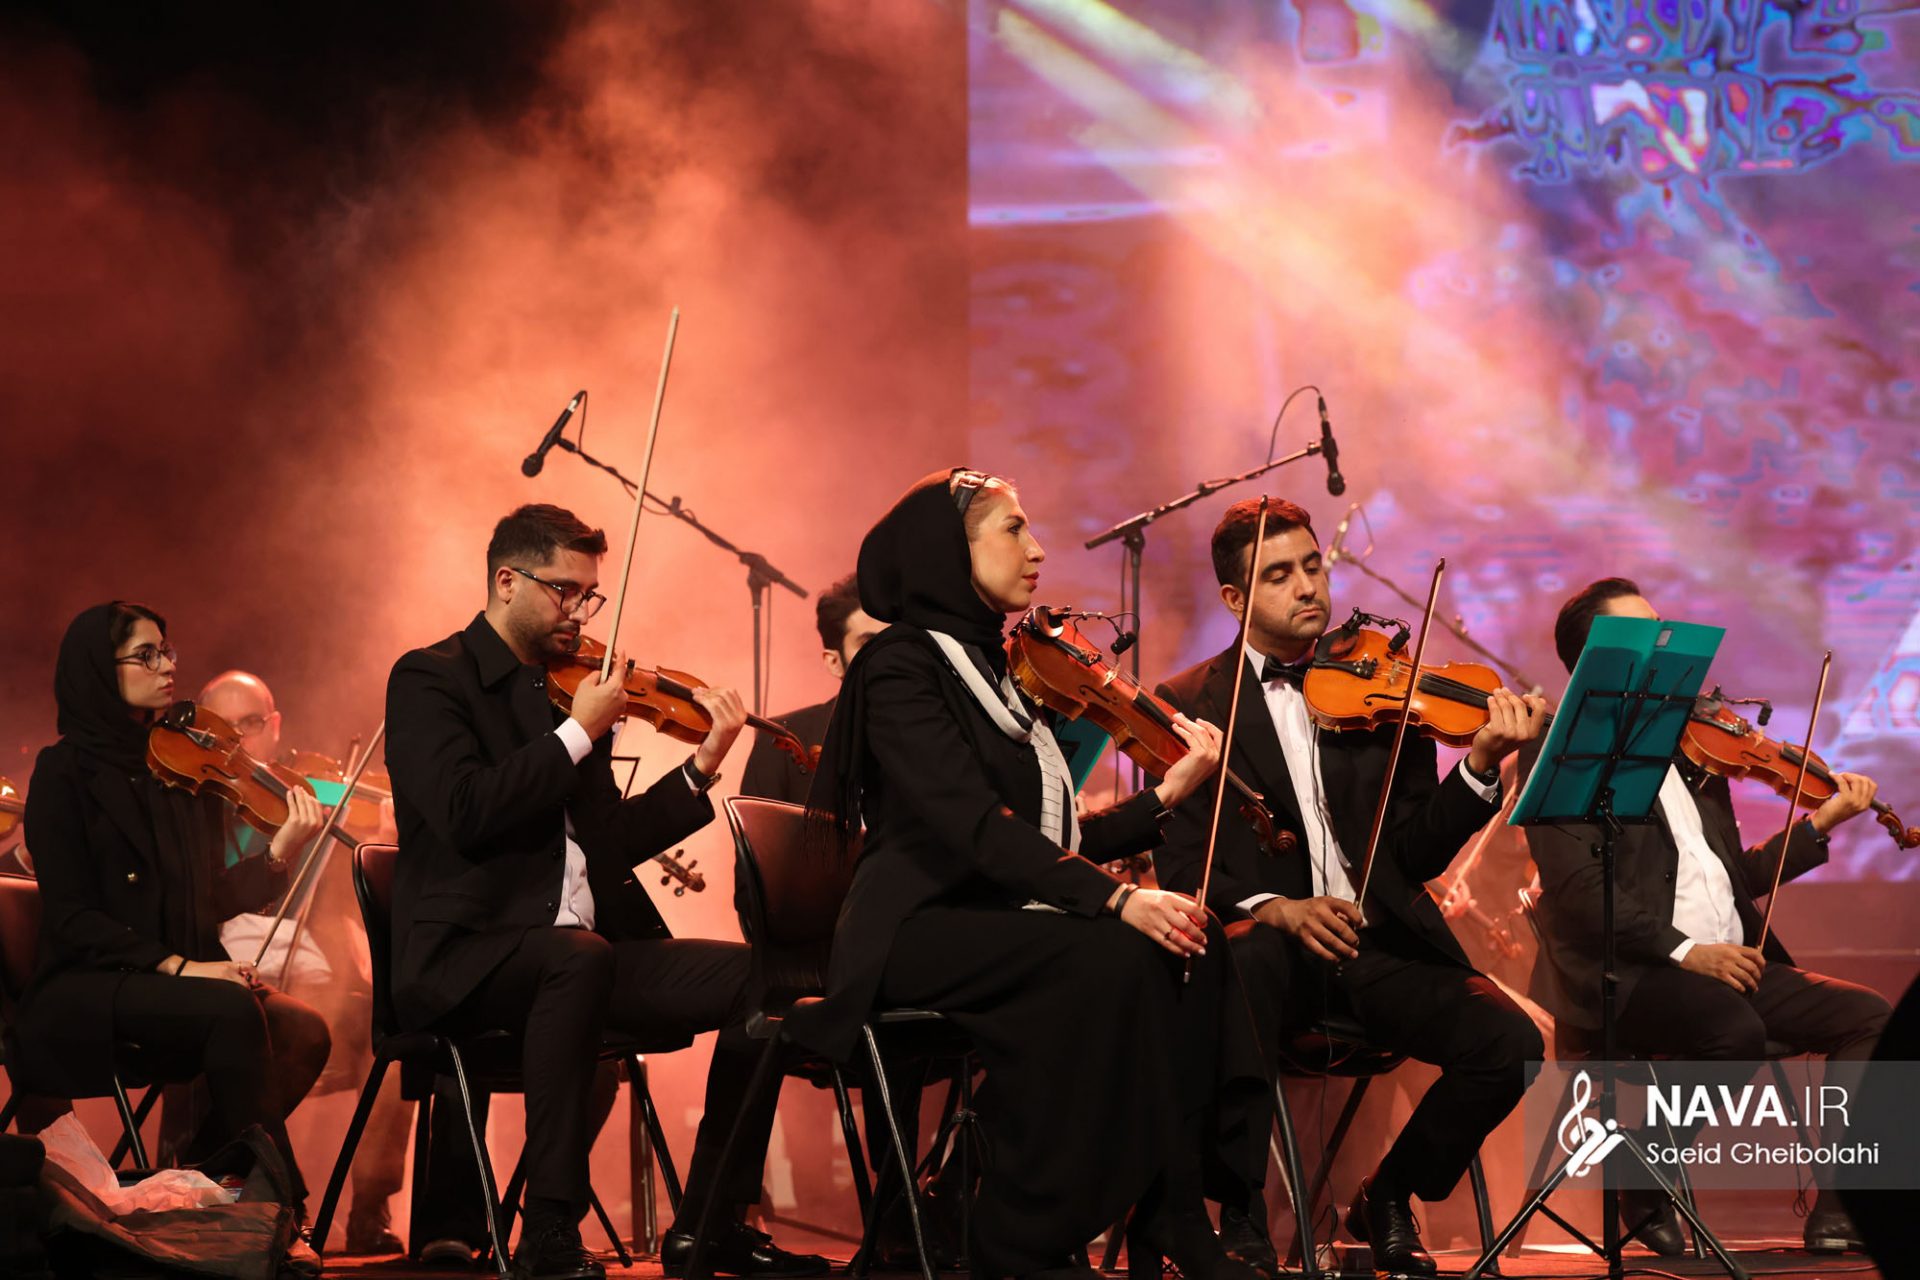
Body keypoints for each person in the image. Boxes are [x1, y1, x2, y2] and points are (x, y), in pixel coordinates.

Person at [789, 468, 1253, 1280]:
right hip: (912, 931)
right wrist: (1117, 898)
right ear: (951, 549)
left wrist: (1164, 799)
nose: (1037, 550)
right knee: (1116, 953)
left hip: (992, 915)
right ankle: (1018, 1232)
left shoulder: (992, 664)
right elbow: (973, 826)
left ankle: (1175, 1210)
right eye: (1013, 529)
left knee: (1196, 936)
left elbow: (1043, 835)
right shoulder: (898, 666)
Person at [383, 503, 829, 1280]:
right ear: (506, 581)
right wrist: (576, 734)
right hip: (468, 958)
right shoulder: (431, 678)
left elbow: (607, 842)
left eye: (588, 595)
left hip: (578, 959)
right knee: (577, 957)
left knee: (760, 979)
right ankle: (550, 1230)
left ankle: (710, 1222)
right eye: (564, 591)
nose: (579, 612)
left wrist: (700, 768)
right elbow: (462, 811)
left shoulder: (562, 693)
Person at [1153, 498, 1549, 1278]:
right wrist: (1281, 910)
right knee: (1249, 955)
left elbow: (1414, 851)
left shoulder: (1381, 687)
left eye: (1312, 566)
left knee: (1511, 1042)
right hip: (1270, 958)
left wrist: (1478, 766)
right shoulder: (1188, 701)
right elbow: (1185, 866)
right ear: (1234, 598)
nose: (1307, 586)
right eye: (1278, 575)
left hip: (1379, 948)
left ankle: (1390, 1193)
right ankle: (1240, 1214)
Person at [1527, 578, 1890, 1255]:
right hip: (1630, 976)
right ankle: (1641, 1168)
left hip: (1728, 965)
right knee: (1733, 1029)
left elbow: (1732, 879)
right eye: (1645, 636)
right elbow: (1578, 892)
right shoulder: (1564, 751)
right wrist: (1688, 953)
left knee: (1870, 1017)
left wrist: (1820, 824)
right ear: (1599, 657)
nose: (1667, 649)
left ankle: (1841, 1207)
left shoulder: (1692, 750)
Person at [9, 602, 332, 1211]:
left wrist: (277, 854)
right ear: (99, 668)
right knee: (233, 1010)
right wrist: (183, 967)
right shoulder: (63, 772)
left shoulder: (178, 765)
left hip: (170, 977)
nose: (167, 667)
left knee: (305, 1030)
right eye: (146, 655)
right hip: (92, 981)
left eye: (167, 651)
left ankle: (204, 1177)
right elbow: (76, 919)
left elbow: (207, 895)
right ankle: (280, 1206)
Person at [195, 668, 412, 1257]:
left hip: (316, 975)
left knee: (394, 1039)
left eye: (250, 724)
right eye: (222, 729)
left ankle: (370, 1208)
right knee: (233, 1029)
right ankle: (226, 1194)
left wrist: (390, 840)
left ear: (275, 726)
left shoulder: (315, 796)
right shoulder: (192, 803)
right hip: (222, 973)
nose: (239, 742)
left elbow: (363, 902)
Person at [738, 574, 882, 805]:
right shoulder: (779, 740)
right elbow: (757, 829)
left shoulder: (937, 731)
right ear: (834, 662)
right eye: (868, 644)